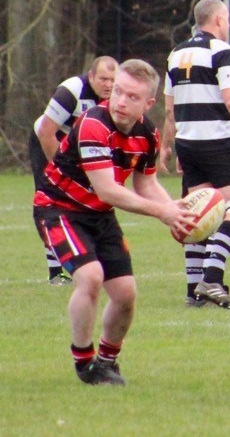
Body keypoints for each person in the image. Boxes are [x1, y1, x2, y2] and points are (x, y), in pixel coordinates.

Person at [33, 59, 197, 385]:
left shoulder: (148, 134)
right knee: (90, 277)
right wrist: (161, 212)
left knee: (125, 295)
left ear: (148, 103)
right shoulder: (94, 124)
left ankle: (107, 362)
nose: (120, 101)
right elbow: (108, 190)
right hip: (58, 208)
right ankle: (85, 364)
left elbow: (146, 184)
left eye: (132, 96)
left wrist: (174, 212)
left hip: (99, 215)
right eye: (117, 91)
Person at [161, 0, 230, 309]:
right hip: (218, 142)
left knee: (198, 215)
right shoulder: (222, 51)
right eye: (228, 19)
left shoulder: (175, 53)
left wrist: (167, 146)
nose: (228, 24)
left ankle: (193, 291)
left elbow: (169, 111)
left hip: (188, 143)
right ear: (219, 20)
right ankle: (211, 278)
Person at [30, 56, 118, 285]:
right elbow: (46, 132)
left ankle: (88, 256)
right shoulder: (72, 90)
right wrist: (60, 169)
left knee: (85, 200)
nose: (109, 85)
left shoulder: (117, 98)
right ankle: (55, 272)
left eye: (113, 80)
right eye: (103, 79)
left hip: (76, 148)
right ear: (91, 76)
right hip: (47, 141)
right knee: (52, 200)